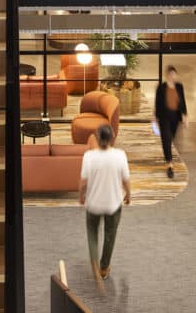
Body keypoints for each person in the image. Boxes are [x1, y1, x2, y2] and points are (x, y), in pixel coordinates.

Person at [78, 124, 130, 289]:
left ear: (97, 138)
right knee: (110, 235)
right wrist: (128, 194)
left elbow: (84, 182)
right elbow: (126, 180)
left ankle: (94, 262)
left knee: (92, 235)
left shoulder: (89, 156)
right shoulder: (120, 155)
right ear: (112, 137)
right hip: (113, 204)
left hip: (93, 203)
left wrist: (81, 196)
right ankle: (103, 268)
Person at [154, 66, 188, 179]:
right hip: (164, 117)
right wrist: (156, 118)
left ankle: (168, 156)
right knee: (167, 139)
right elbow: (157, 103)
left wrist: (185, 116)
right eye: (171, 74)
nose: (173, 76)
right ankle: (169, 165)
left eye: (174, 74)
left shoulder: (179, 86)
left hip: (175, 117)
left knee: (171, 137)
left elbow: (182, 101)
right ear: (167, 75)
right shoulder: (161, 87)